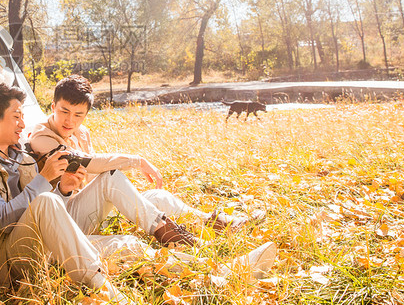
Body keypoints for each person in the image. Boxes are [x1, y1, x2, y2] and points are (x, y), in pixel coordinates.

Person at [0, 84, 246, 295]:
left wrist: (65, 190)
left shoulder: (18, 154)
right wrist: (45, 181)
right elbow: (4, 219)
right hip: (5, 258)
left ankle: (206, 266)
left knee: (126, 237)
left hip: (44, 237)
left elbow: (41, 209)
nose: (22, 123)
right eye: (16, 116)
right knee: (47, 200)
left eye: (22, 115)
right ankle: (102, 288)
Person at [27, 75, 264, 231]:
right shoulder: (41, 136)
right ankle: (168, 233)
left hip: (87, 207)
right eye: (63, 112)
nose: (69, 120)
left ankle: (219, 223)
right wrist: (136, 161)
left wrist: (121, 196)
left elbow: (89, 179)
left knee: (158, 197)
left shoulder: (83, 132)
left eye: (78, 115)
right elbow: (86, 163)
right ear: (53, 107)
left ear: (87, 114)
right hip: (63, 218)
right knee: (112, 176)